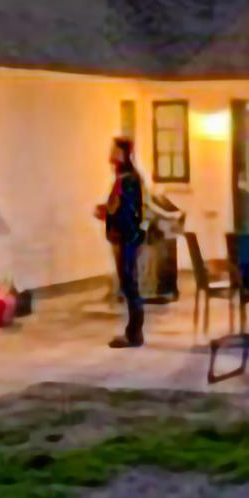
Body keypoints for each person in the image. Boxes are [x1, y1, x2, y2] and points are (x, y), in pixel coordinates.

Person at [95, 136, 147, 348]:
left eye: (114, 150)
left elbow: (125, 209)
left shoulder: (128, 179)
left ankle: (134, 333)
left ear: (123, 154)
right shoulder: (123, 178)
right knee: (127, 284)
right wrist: (107, 212)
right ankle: (133, 331)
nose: (111, 154)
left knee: (129, 284)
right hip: (123, 236)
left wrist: (109, 213)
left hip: (127, 237)